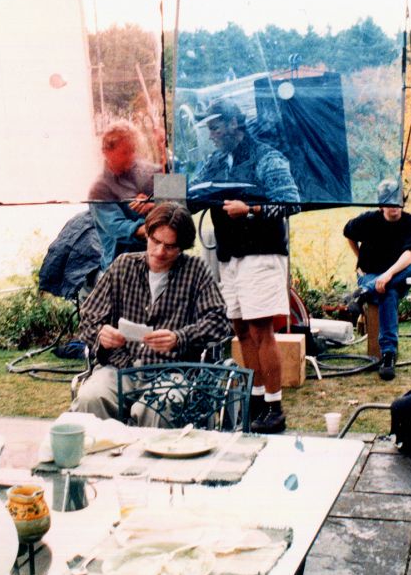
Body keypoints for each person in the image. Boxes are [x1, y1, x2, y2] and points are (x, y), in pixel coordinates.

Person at [194, 99, 300, 434]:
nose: (210, 134)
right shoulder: (214, 161)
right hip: (230, 257)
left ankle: (275, 407)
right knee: (240, 331)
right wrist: (156, 198)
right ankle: (254, 400)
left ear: (235, 123)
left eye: (215, 126)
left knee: (260, 330)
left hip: (261, 254)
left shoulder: (267, 157)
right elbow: (192, 191)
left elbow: (291, 202)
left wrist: (251, 209)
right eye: (208, 127)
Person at [73, 203, 230, 423]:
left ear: (183, 247)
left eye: (170, 246)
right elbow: (89, 319)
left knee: (157, 409)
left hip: (171, 372)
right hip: (119, 367)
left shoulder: (196, 270)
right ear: (147, 234)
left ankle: (150, 457)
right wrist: (102, 334)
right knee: (90, 398)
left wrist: (180, 338)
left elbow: (219, 322)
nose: (159, 252)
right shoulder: (123, 266)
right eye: (155, 241)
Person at [343, 179, 411, 381]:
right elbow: (348, 232)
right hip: (370, 275)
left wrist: (388, 275)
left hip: (396, 276)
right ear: (381, 205)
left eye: (398, 202)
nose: (394, 207)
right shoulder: (368, 220)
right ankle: (388, 354)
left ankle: (362, 294)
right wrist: (359, 259)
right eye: (389, 203)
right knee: (388, 293)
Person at [87, 120, 157, 271]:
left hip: (158, 262)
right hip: (123, 269)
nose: (131, 157)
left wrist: (153, 205)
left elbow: (178, 203)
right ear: (106, 152)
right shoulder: (99, 188)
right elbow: (118, 229)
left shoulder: (149, 171)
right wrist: (156, 230)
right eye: (125, 152)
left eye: (133, 150)